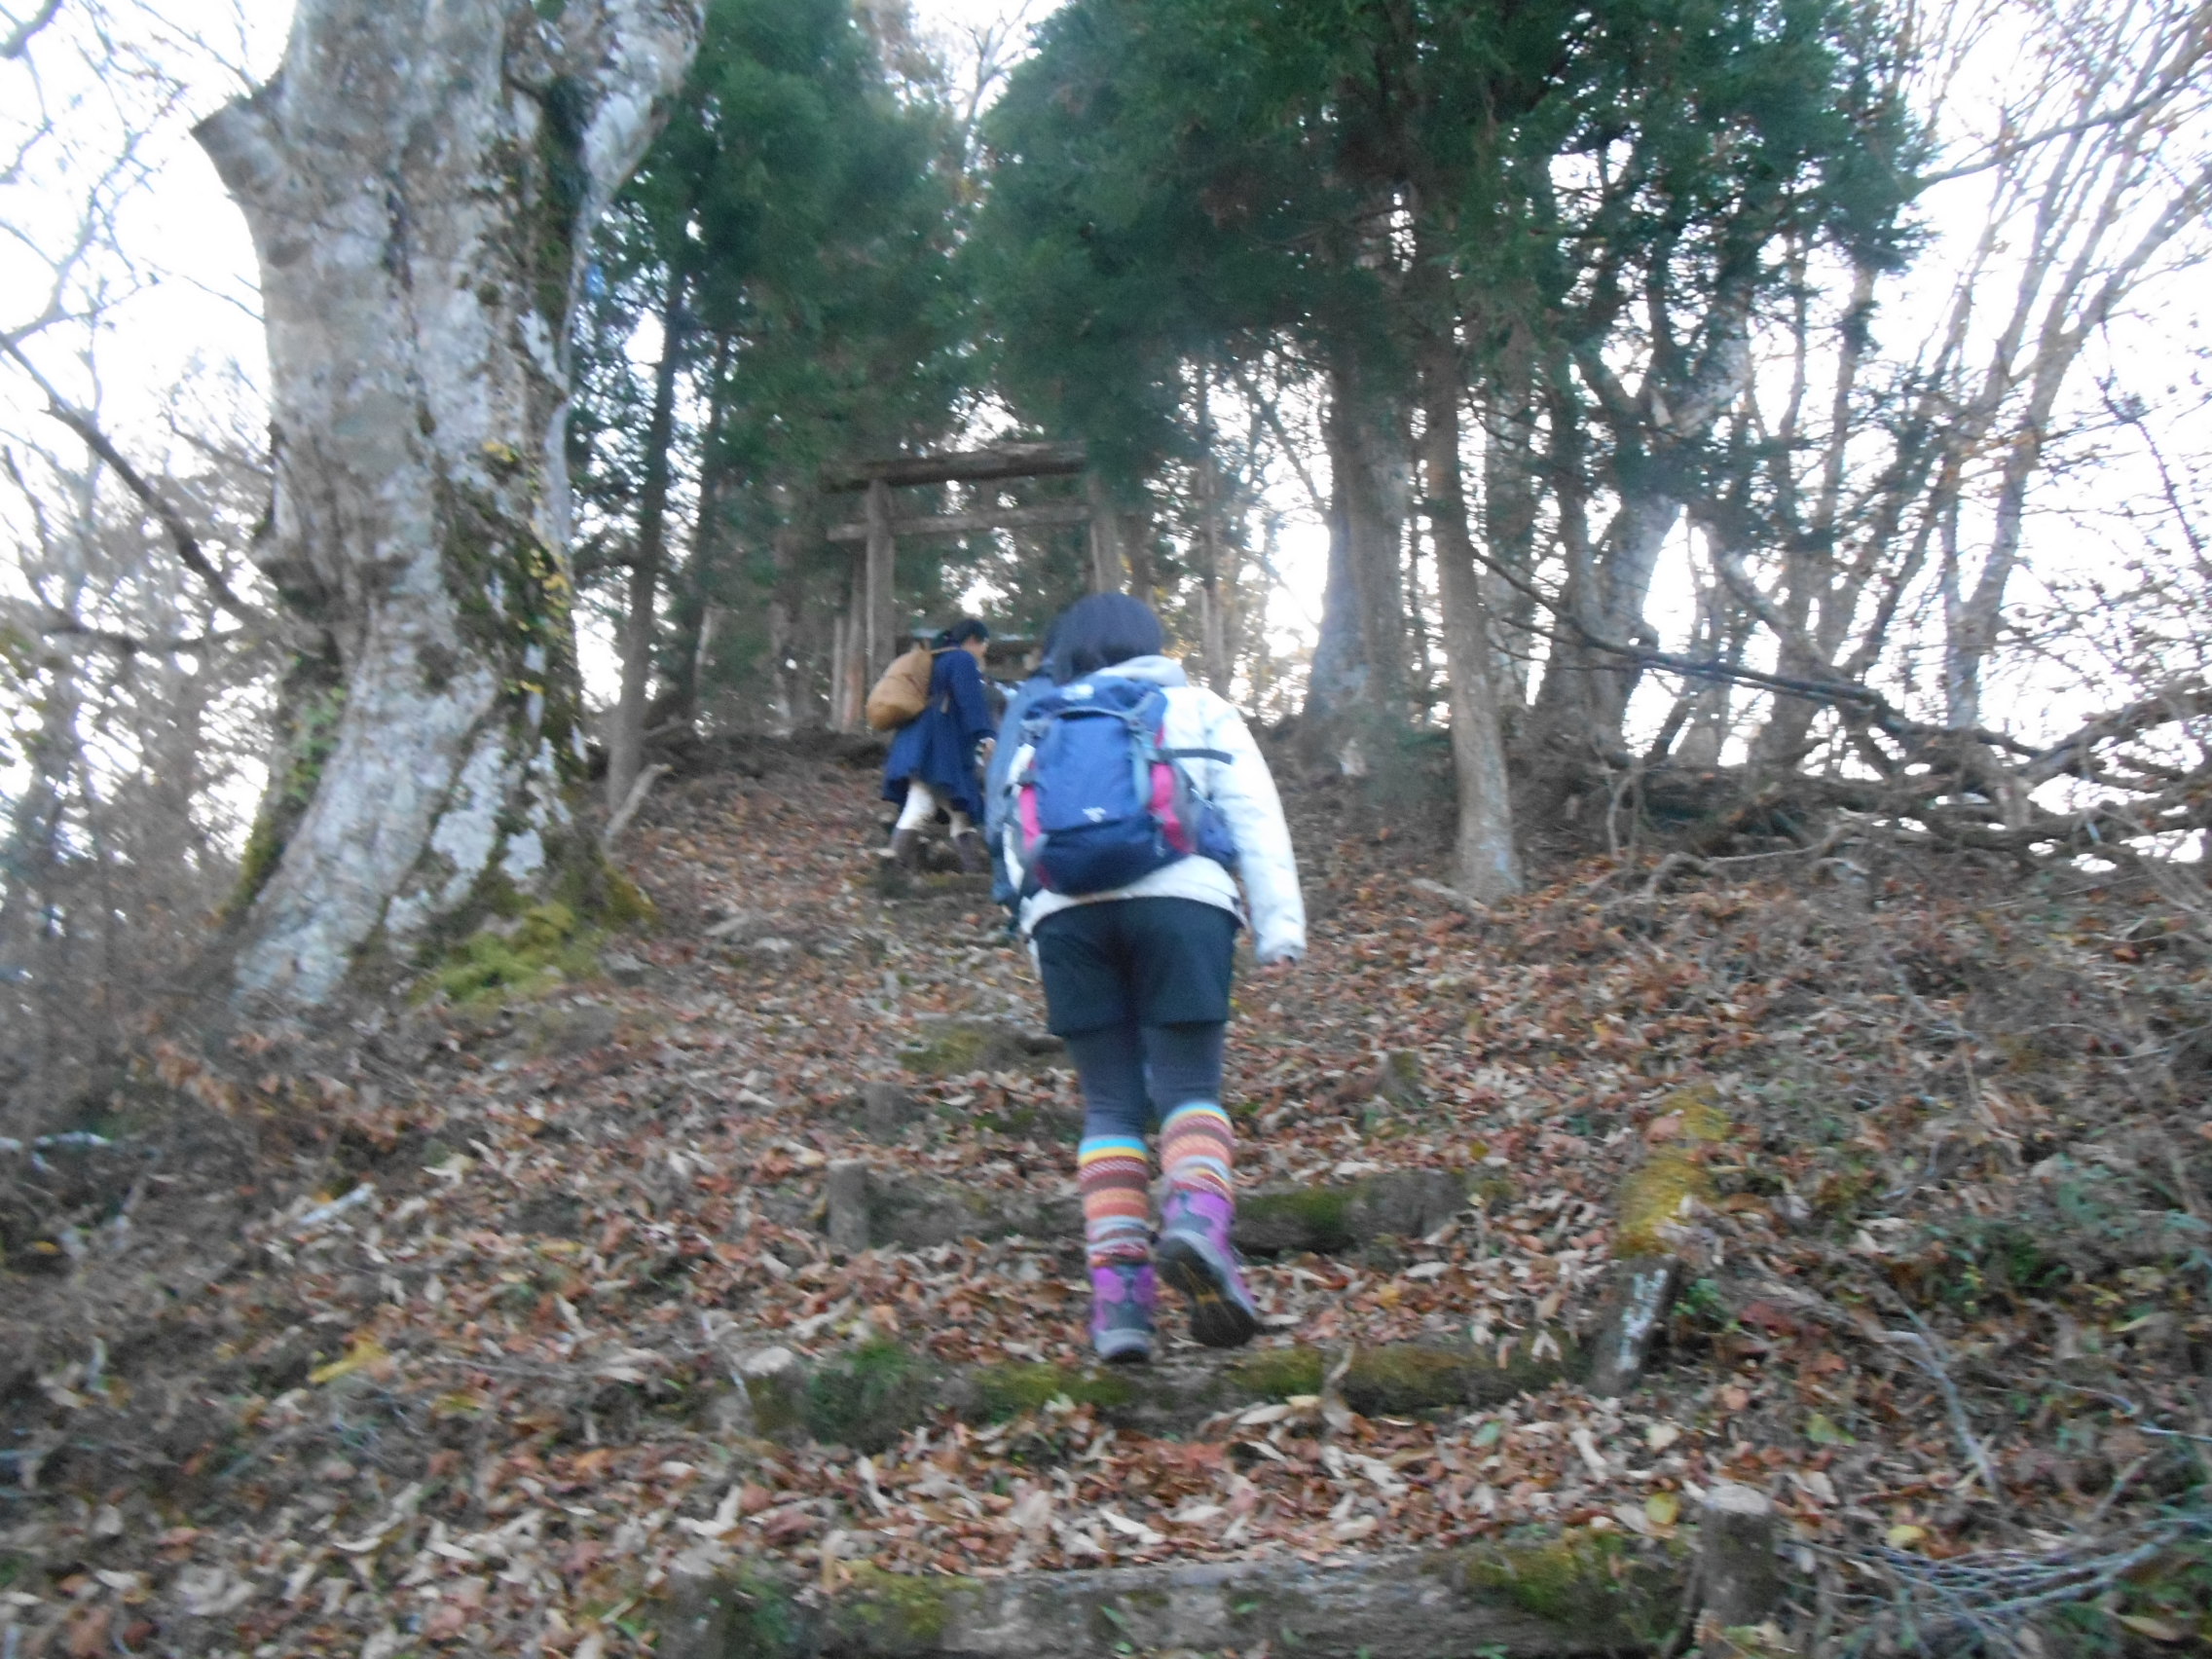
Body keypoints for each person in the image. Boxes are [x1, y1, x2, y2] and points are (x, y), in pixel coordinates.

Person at [998, 593, 1305, 1363]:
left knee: (1108, 1106)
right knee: (1187, 1090)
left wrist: (1041, 941)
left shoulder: (1040, 724)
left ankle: (1121, 1308)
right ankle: (1198, 1221)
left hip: (1067, 918)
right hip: (1182, 901)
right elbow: (1255, 813)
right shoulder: (1193, 704)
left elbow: (1012, 842)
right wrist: (1280, 929)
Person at [882, 618, 996, 872]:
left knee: (955, 807)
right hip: (937, 748)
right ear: (973, 641)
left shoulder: (934, 659)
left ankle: (972, 868)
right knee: (925, 804)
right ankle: (892, 867)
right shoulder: (962, 660)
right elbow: (970, 702)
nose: (984, 651)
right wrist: (986, 734)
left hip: (914, 743)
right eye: (984, 644)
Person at [983, 619, 1063, 913]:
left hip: (1032, 857)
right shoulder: (1132, 697)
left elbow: (1002, 772)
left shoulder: (1032, 694)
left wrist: (996, 844)